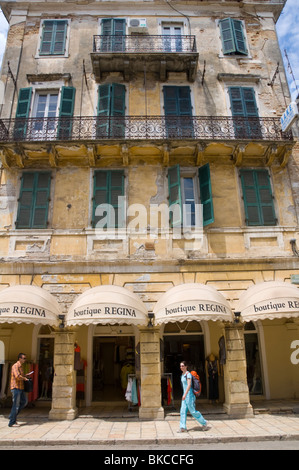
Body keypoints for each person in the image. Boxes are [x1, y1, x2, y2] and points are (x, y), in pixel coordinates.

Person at [177, 361, 210, 433]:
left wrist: (185, 394)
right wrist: (184, 395)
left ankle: (204, 422)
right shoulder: (182, 375)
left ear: (186, 366)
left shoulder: (188, 375)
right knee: (182, 411)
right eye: (180, 366)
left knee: (192, 411)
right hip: (185, 395)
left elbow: (189, 385)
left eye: (182, 366)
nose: (181, 367)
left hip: (189, 395)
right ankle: (182, 427)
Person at [8, 353, 30, 427]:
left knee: (24, 402)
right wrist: (24, 378)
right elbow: (17, 376)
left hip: (21, 387)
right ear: (20, 359)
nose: (25, 360)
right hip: (16, 387)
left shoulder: (21, 367)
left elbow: (20, 375)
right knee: (16, 405)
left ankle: (12, 416)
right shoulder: (15, 366)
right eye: (24, 358)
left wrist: (25, 375)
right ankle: (11, 421)